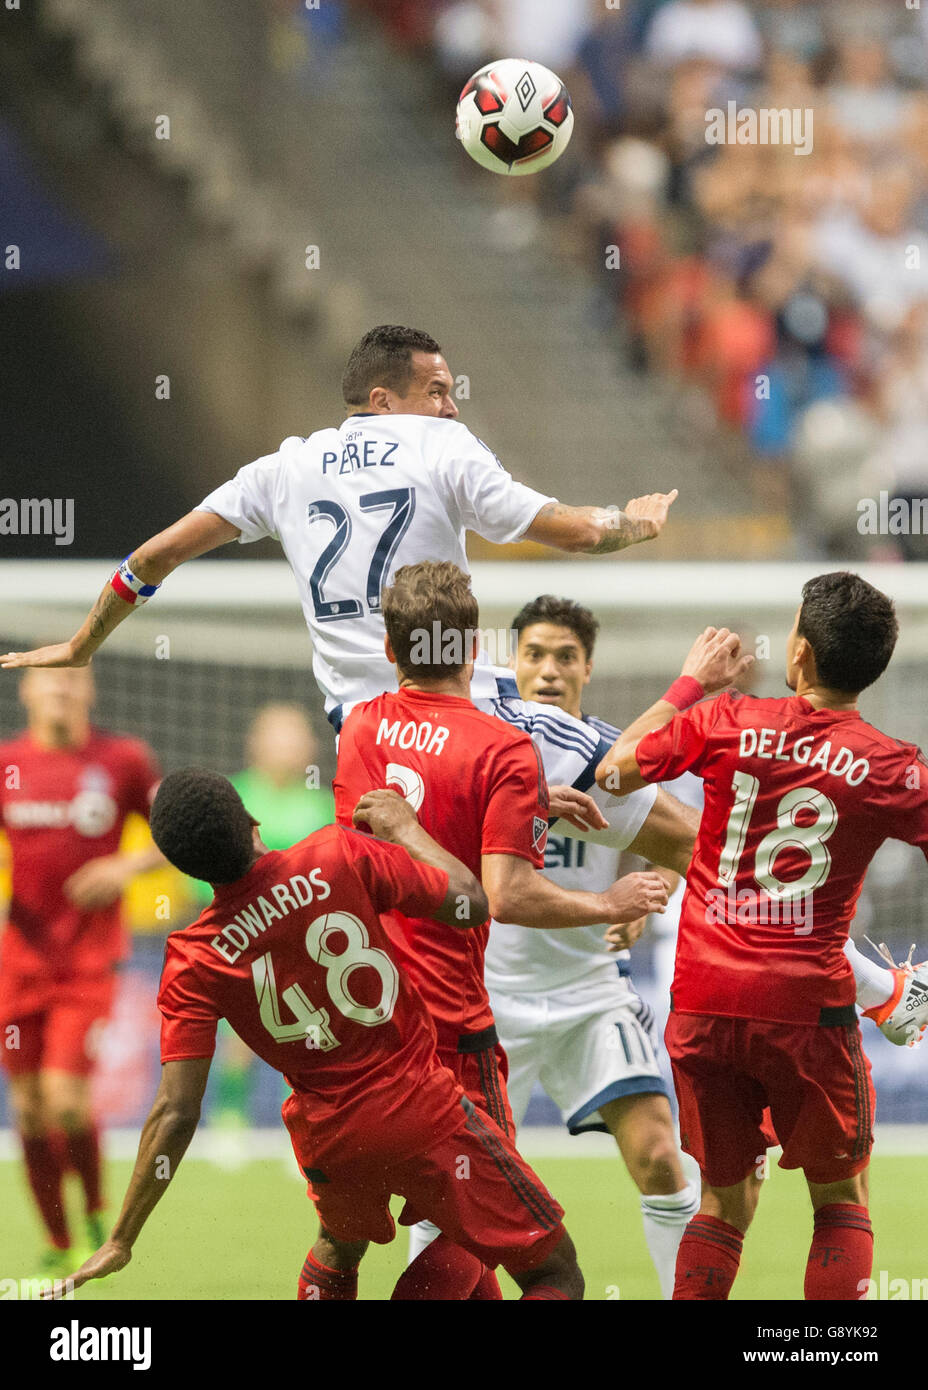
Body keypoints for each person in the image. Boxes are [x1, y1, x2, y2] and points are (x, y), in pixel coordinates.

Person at [0, 324, 696, 878]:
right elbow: (574, 532)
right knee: (684, 831)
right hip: (467, 717)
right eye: (438, 389)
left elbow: (155, 557)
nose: (451, 406)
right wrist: (634, 523)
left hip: (368, 752)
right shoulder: (439, 444)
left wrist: (81, 644)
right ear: (382, 400)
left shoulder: (281, 470)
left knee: (448, 944)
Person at [58, 768, 585, 1301]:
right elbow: (469, 902)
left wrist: (123, 1239)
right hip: (420, 1109)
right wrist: (407, 830)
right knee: (555, 1273)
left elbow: (175, 1111)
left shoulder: (192, 958)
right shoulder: (336, 855)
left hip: (329, 1141)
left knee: (339, 1245)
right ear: (251, 818)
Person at [334, 562, 668, 1296]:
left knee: (347, 1238)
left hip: (375, 1013)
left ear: (391, 652)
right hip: (459, 1018)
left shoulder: (360, 725)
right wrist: (611, 905)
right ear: (476, 651)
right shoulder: (501, 747)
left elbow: (375, 839)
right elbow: (505, 896)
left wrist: (527, 800)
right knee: (542, 1260)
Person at [596, 572, 928, 1300]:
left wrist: (689, 684)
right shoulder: (892, 765)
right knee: (840, 1198)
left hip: (703, 1002)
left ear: (800, 652)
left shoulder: (728, 717)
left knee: (722, 1201)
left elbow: (613, 770)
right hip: (806, 1012)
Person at [484, 595, 699, 1299]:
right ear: (510, 663)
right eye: (535, 654)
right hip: (489, 999)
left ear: (588, 668)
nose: (549, 670)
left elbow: (681, 842)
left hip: (591, 992)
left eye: (565, 657)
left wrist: (655, 890)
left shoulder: (615, 758)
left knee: (662, 1157)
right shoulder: (488, 748)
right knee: (453, 1187)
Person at [0, 666, 164, 1277]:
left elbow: (176, 828)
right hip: (19, 962)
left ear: (91, 688)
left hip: (90, 964)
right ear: (27, 691)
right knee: (27, 1109)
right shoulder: (8, 763)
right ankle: (56, 1237)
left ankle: (96, 1208)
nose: (60, 689)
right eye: (48, 680)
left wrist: (125, 869)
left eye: (72, 679)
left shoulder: (121, 760)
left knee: (66, 1101)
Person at [187, 703, 335, 1135]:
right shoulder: (230, 796)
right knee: (241, 1036)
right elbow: (201, 871)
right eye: (278, 733)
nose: (289, 744)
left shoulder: (324, 804)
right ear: (256, 742)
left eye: (296, 734)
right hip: (239, 936)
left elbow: (335, 875)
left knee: (317, 1035)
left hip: (309, 940)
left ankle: (317, 1125)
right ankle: (229, 1118)